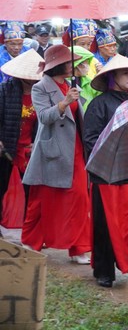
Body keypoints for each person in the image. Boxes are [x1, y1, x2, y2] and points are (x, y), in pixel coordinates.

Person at [83, 56, 128, 288]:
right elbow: (90, 139)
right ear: (113, 77)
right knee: (106, 223)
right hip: (106, 173)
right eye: (126, 73)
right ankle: (104, 270)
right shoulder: (99, 104)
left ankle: (117, 254)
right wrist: (110, 156)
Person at [21, 45, 92, 263]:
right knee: (41, 199)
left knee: (80, 198)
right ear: (59, 65)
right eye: (70, 62)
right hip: (52, 152)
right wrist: (64, 103)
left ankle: (79, 247)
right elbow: (44, 117)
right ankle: (30, 242)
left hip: (76, 149)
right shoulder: (40, 87)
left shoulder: (72, 85)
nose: (74, 65)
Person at [0, 50, 42, 229]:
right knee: (2, 187)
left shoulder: (42, 93)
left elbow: (44, 121)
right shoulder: (4, 91)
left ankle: (28, 228)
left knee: (29, 190)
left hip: (29, 150)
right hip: (6, 148)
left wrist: (38, 141)